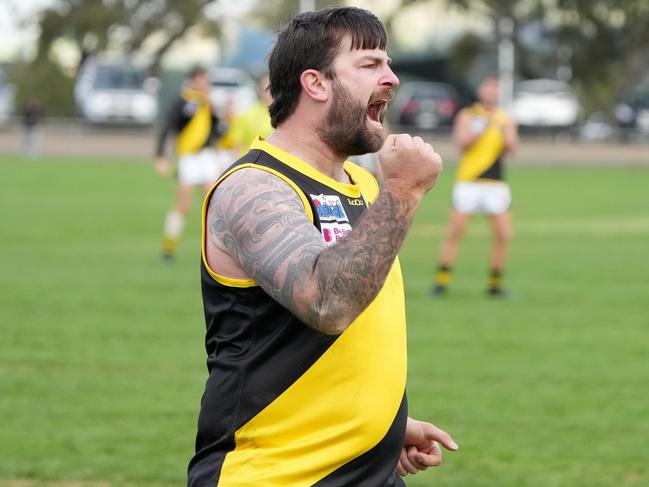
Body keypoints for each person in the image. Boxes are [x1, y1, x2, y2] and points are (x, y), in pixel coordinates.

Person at [188, 7, 458, 486]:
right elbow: (328, 303)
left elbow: (357, 335)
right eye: (370, 65)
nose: (392, 79)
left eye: (388, 63)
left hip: (364, 471)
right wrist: (404, 192)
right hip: (276, 476)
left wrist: (381, 431)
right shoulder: (253, 188)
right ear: (316, 84)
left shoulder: (363, 184)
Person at [431, 75, 519, 297]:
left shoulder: (505, 119)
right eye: (488, 88)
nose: (491, 93)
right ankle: (441, 282)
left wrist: (506, 135)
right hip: (469, 183)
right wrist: (481, 128)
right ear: (481, 92)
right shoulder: (468, 116)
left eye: (495, 89)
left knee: (503, 235)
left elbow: (512, 149)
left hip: (495, 184)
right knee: (455, 232)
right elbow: (461, 144)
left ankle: (495, 284)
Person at [155, 66, 228, 261]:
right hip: (188, 157)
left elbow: (219, 131)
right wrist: (160, 156)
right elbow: (168, 128)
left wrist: (224, 115)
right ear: (194, 80)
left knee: (213, 203)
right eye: (203, 79)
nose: (206, 84)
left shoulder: (208, 103)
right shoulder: (183, 101)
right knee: (183, 203)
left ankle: (216, 251)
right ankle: (168, 247)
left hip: (206, 156)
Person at [219, 73, 273, 156]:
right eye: (265, 88)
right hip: (252, 163)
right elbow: (235, 145)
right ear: (259, 90)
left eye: (271, 88)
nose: (268, 92)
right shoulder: (246, 115)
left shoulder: (286, 114)